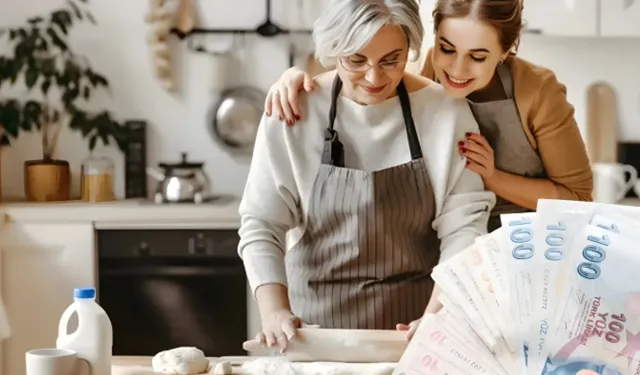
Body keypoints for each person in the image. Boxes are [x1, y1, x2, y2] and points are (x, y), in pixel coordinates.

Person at [238, 0, 495, 350]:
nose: (375, 78)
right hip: (312, 336)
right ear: (334, 50)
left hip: (416, 335)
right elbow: (261, 223)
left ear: (411, 49)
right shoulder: (295, 108)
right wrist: (274, 312)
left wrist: (439, 313)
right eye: (356, 60)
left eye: (392, 59)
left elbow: (465, 226)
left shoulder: (446, 111)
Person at [262, 0, 593, 234]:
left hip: (527, 250)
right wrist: (294, 80)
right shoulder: (423, 77)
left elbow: (577, 198)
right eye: (447, 49)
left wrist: (492, 177)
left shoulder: (537, 91)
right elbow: (360, 74)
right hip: (448, 253)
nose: (457, 70)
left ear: (507, 51)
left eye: (478, 57)